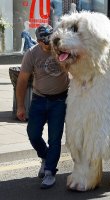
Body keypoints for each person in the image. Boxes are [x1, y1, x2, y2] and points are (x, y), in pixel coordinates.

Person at [16, 24, 69, 189]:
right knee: (32, 134)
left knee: (55, 139)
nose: (50, 45)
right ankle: (46, 157)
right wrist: (20, 106)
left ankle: (49, 172)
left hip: (60, 101)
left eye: (52, 40)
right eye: (46, 42)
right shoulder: (31, 54)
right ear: (39, 41)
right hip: (39, 100)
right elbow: (22, 81)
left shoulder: (62, 50)